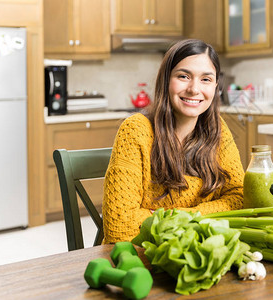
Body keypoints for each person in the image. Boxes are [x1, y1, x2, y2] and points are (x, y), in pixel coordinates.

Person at [102, 39, 244, 243]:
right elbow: (119, 226)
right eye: (184, 76)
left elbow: (239, 199)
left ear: (215, 86)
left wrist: (160, 216)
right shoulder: (135, 130)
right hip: (138, 258)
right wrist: (203, 216)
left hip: (196, 253)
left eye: (206, 79)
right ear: (166, 80)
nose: (194, 89)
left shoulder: (218, 130)